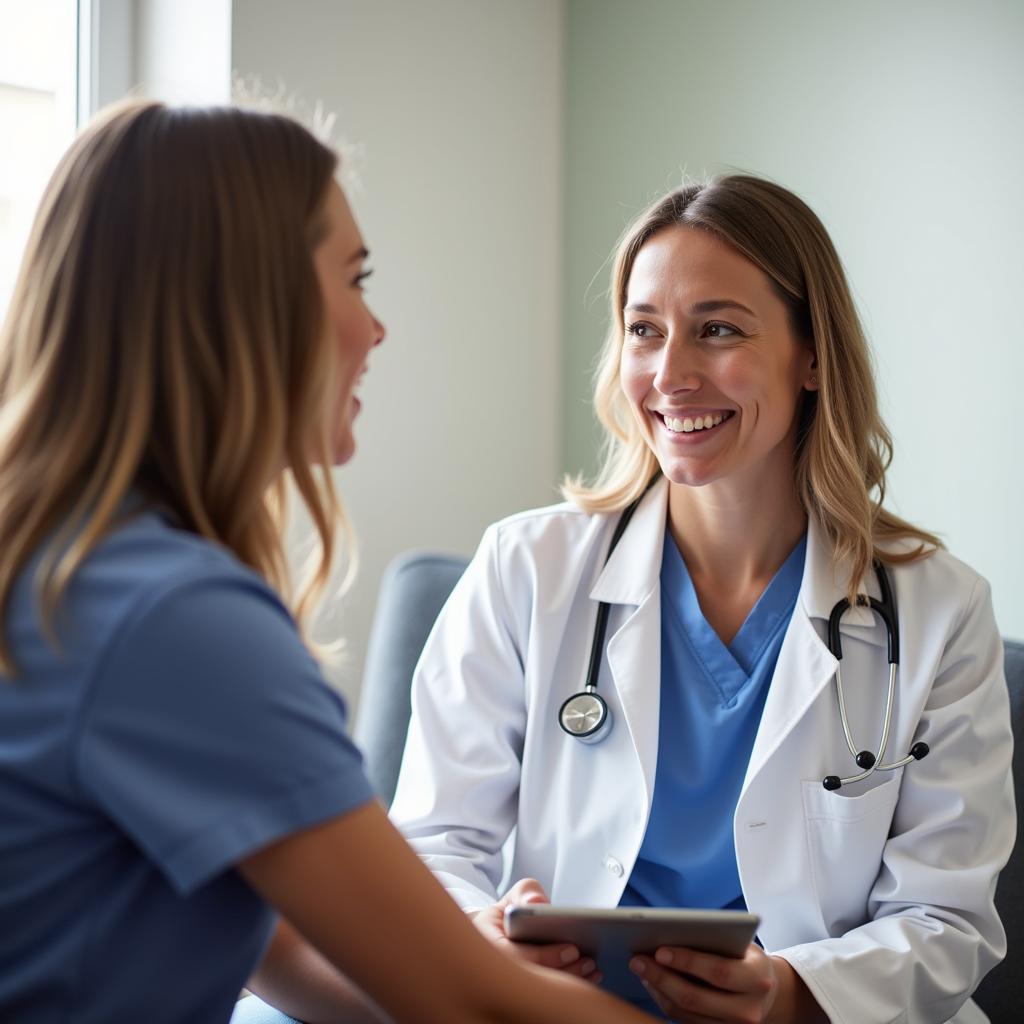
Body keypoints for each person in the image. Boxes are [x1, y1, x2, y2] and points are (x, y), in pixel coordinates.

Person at [0, 99, 664, 1024]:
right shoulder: (171, 617)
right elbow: (472, 1006)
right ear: (241, 304)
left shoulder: (66, 562)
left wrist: (437, 957)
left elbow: (284, 949)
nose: (374, 330)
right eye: (354, 279)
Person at [390, 175, 1016, 1023]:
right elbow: (431, 845)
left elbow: (946, 922)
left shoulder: (938, 612)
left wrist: (793, 992)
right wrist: (480, 932)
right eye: (644, 331)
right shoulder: (525, 568)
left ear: (813, 357)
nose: (671, 374)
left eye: (717, 330)